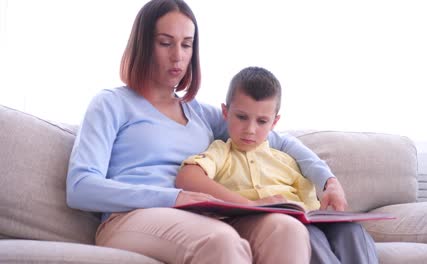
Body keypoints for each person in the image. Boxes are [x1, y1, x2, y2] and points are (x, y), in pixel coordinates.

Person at [66, 0, 347, 263]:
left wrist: (327, 180)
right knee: (220, 240)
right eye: (165, 43)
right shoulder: (111, 104)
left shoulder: (200, 113)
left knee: (286, 229)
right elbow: (80, 188)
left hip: (203, 215)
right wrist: (171, 197)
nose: (177, 56)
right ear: (143, 45)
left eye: (186, 45)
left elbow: (279, 141)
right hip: (130, 218)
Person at [176, 66, 378, 264]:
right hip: (271, 225)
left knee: (352, 231)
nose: (250, 130)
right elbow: (187, 177)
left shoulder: (284, 158)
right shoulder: (221, 152)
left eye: (262, 121)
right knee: (307, 235)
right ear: (225, 112)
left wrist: (330, 187)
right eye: (241, 117)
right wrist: (246, 203)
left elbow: (309, 198)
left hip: (305, 218)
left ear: (274, 122)